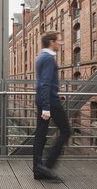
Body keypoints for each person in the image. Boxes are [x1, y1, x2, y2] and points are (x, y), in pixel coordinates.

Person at [33, 31, 71, 180]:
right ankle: (47, 166)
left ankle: (38, 170)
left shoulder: (41, 57)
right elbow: (45, 84)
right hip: (50, 101)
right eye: (59, 40)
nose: (61, 43)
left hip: (43, 100)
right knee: (66, 130)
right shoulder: (48, 58)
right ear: (51, 42)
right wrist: (47, 107)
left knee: (40, 134)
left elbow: (42, 83)